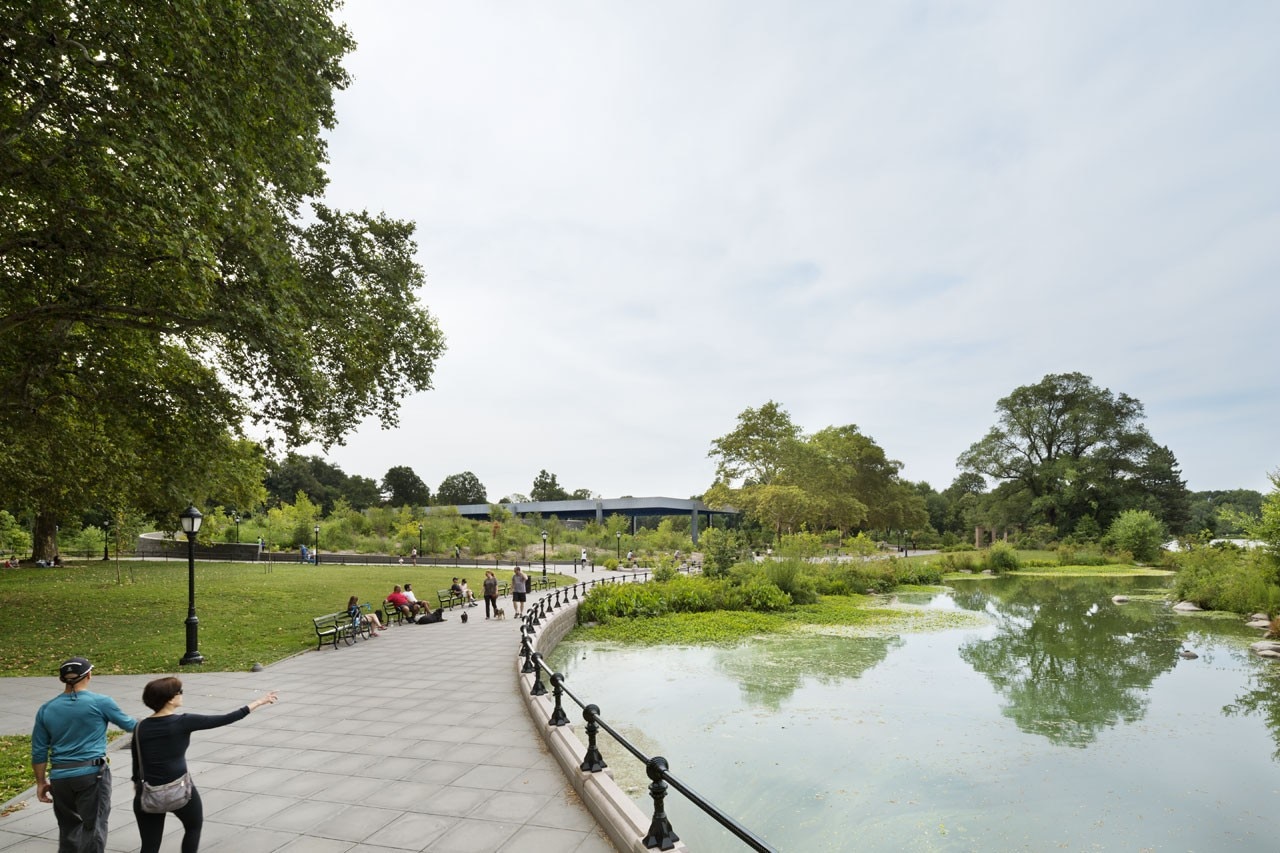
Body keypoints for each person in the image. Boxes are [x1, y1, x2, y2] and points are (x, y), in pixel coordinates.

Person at [132, 677, 277, 853]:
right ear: (170, 699)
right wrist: (259, 702)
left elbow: (137, 762)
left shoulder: (140, 727)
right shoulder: (184, 721)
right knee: (193, 827)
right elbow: (226, 718)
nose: (182, 695)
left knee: (150, 845)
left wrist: (137, 786)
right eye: (180, 692)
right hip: (181, 790)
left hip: (148, 793)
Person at [31, 656, 137, 853]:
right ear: (89, 675)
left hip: (60, 778)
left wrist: (40, 782)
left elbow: (39, 751)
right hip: (92, 774)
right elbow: (131, 726)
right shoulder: (101, 702)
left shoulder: (46, 709)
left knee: (69, 829)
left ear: (62, 679)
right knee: (94, 827)